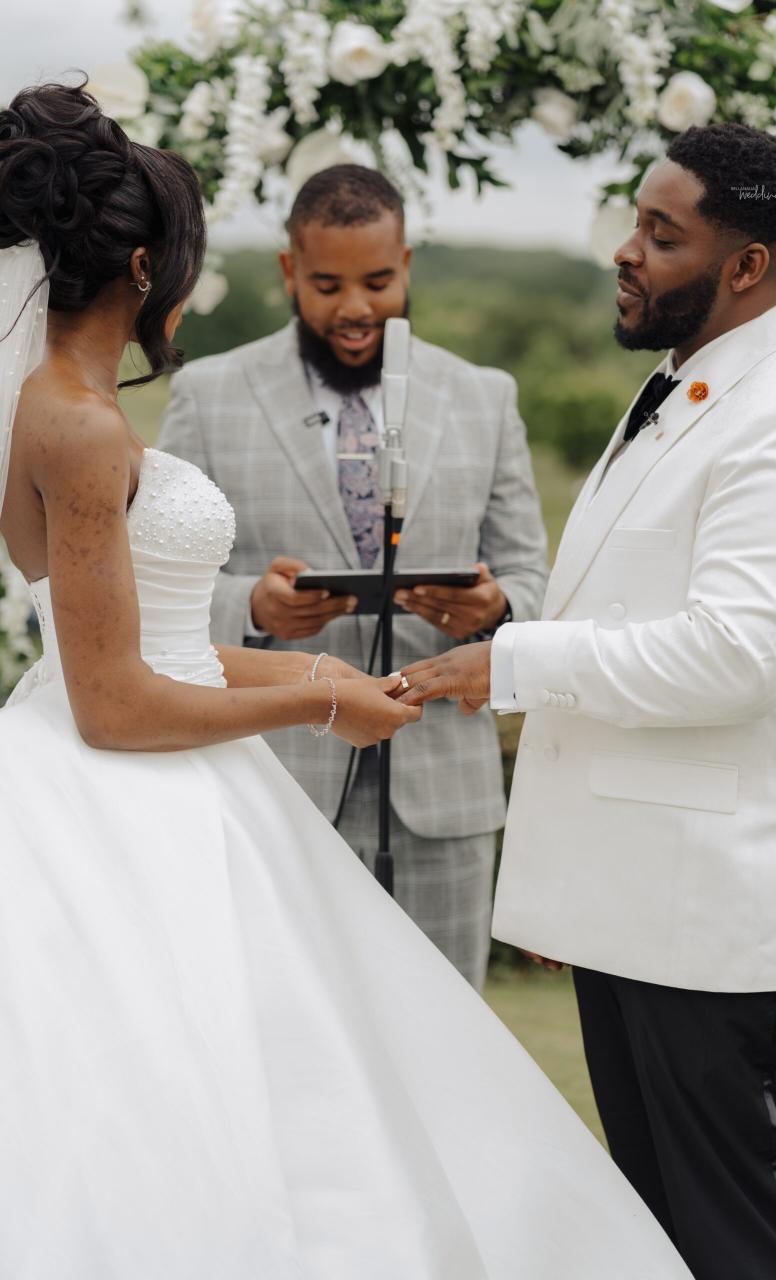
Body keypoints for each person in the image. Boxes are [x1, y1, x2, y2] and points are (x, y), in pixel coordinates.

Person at [0, 81, 693, 1278]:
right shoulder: (78, 422)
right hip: (128, 801)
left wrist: (313, 661)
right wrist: (319, 696)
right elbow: (111, 701)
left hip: (186, 771)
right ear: (142, 264)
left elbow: (138, 643)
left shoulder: (64, 405)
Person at [399, 122, 776, 1280]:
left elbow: (731, 655)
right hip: (644, 908)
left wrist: (507, 662)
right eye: (634, 225)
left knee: (755, 1239)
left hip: (725, 931)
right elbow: (636, 605)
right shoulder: (688, 386)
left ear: (745, 265)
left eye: (661, 233)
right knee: (663, 1238)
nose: (626, 250)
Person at [157, 164, 549, 990]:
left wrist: (494, 607)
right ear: (289, 270)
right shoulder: (208, 393)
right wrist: (252, 605)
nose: (355, 309)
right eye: (328, 285)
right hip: (275, 786)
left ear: (405, 263)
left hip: (442, 796)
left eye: (377, 282)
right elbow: (161, 591)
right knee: (283, 1025)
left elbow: (533, 579)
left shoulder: (484, 397)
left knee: (444, 1029)